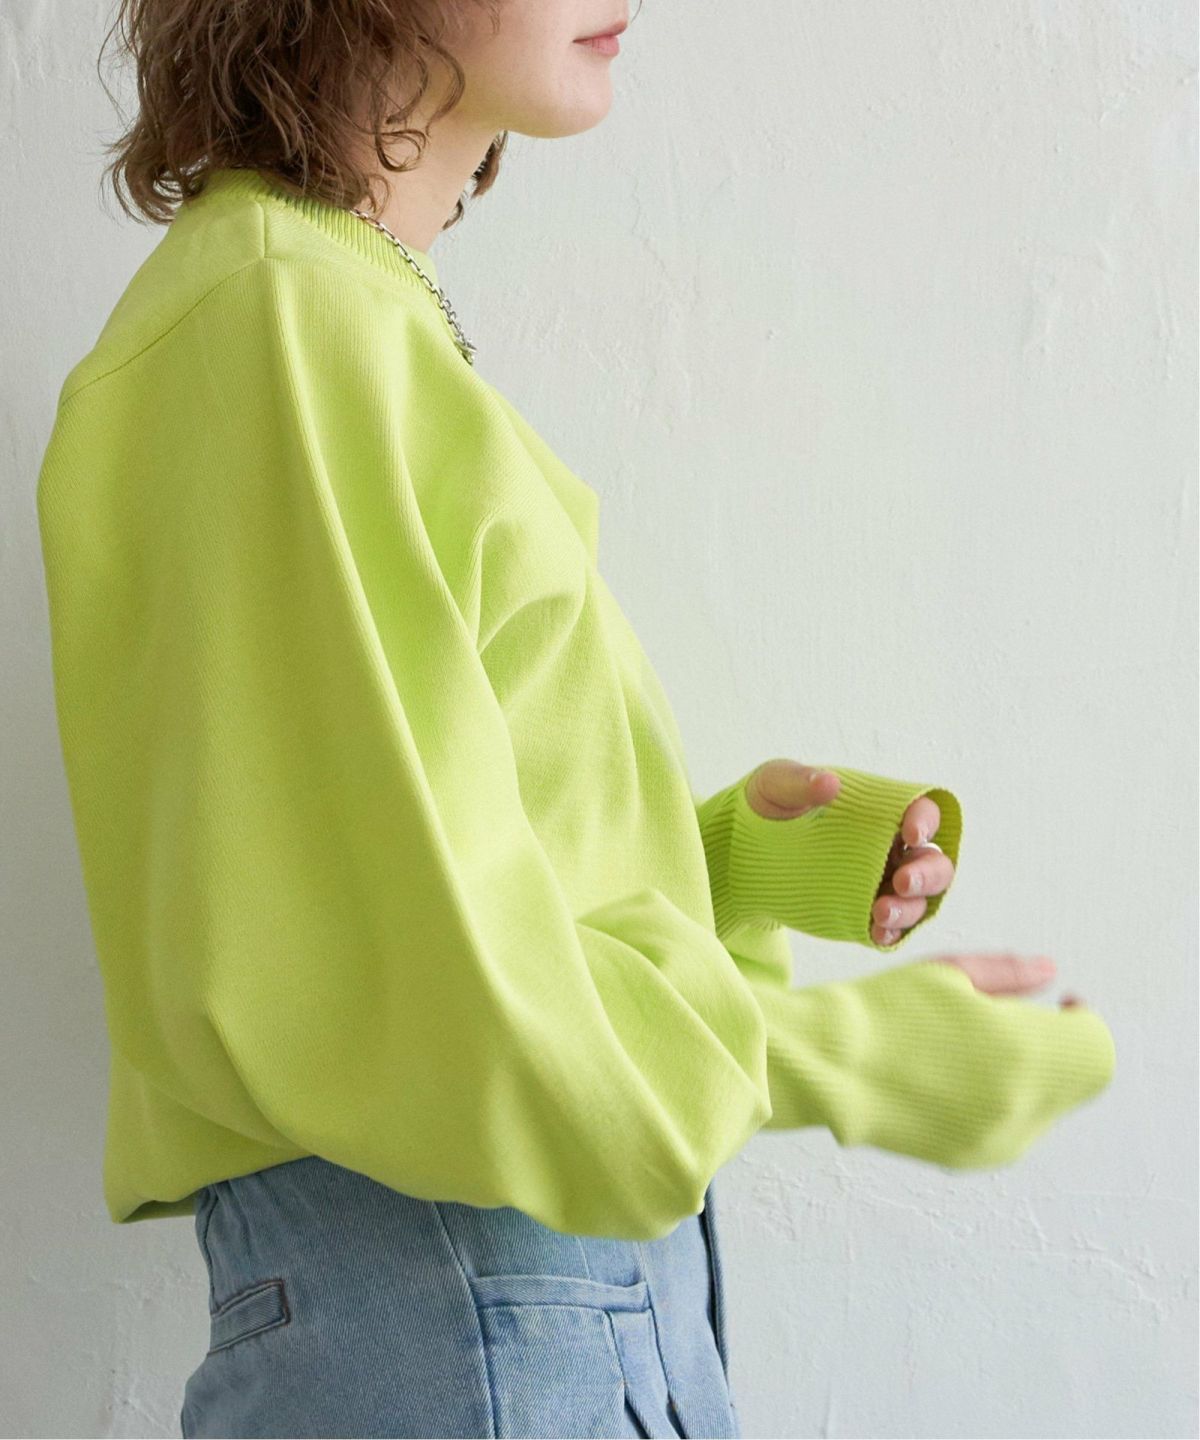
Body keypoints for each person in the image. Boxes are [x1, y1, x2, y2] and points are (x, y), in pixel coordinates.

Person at [34, 3, 1115, 1437]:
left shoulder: (329, 310)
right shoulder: (281, 325)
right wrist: (860, 1058)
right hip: (465, 1314)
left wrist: (709, 865)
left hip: (511, 1320)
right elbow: (408, 988)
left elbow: (374, 893)